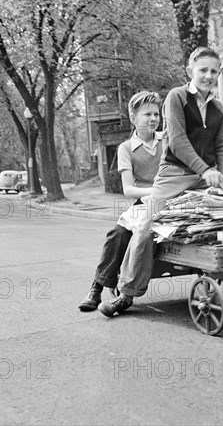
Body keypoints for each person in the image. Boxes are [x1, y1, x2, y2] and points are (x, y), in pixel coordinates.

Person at [98, 46, 223, 317]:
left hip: (206, 175)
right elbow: (178, 142)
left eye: (214, 71)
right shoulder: (176, 98)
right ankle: (127, 292)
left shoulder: (217, 108)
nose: (208, 76)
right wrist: (205, 170)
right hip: (173, 175)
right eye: (203, 70)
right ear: (190, 71)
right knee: (146, 226)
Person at [78, 91, 162, 311]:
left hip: (169, 202)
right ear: (134, 119)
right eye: (147, 115)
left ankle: (125, 290)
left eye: (156, 114)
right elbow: (128, 190)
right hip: (144, 203)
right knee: (117, 234)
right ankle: (96, 288)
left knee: (142, 234)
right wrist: (155, 191)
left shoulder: (167, 142)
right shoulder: (126, 149)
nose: (153, 118)